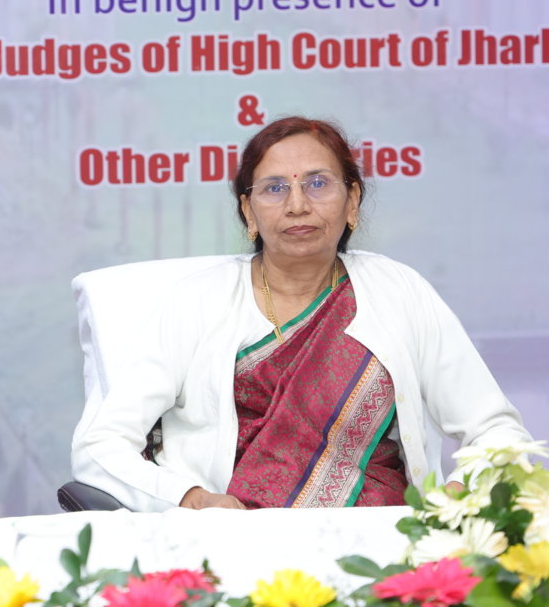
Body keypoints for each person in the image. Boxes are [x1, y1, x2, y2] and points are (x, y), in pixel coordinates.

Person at [72, 116, 531, 511]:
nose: (297, 205)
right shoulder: (198, 301)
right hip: (230, 540)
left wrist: (461, 494)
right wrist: (189, 498)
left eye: (317, 183)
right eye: (274, 189)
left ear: (352, 201)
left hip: (381, 541)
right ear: (248, 212)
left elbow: (496, 431)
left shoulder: (399, 291)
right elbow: (100, 446)